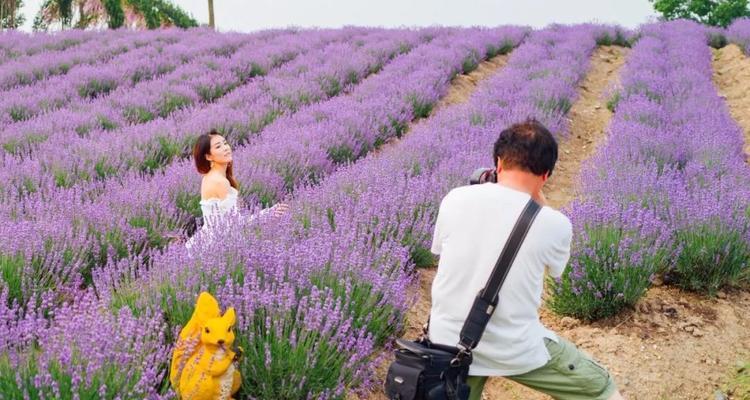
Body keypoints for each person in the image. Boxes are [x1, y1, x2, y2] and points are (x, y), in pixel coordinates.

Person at [428, 119, 624, 400]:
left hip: (449, 344)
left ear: (498, 162)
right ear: (546, 175)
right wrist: (538, 200)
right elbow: (557, 271)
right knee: (598, 386)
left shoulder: (454, 199)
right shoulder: (554, 224)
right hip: (513, 347)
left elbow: (441, 252)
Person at [185, 130, 288, 252]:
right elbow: (235, 223)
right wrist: (268, 213)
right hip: (215, 247)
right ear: (208, 156)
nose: (225, 148)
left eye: (225, 143)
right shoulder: (219, 181)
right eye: (218, 147)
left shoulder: (210, 176)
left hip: (208, 241)